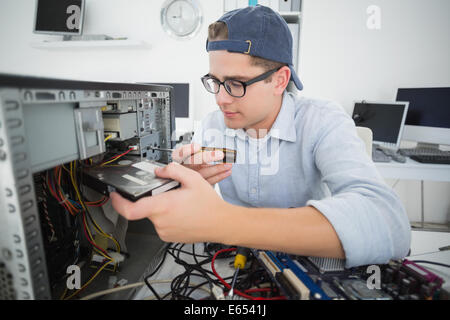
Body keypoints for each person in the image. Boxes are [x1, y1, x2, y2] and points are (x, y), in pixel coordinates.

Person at [111, 5, 411, 268]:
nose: (220, 100)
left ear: (279, 80)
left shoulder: (323, 121)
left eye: (236, 84)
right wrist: (182, 184)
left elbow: (389, 224)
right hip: (234, 262)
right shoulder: (214, 125)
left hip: (307, 262)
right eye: (214, 81)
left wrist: (221, 222)